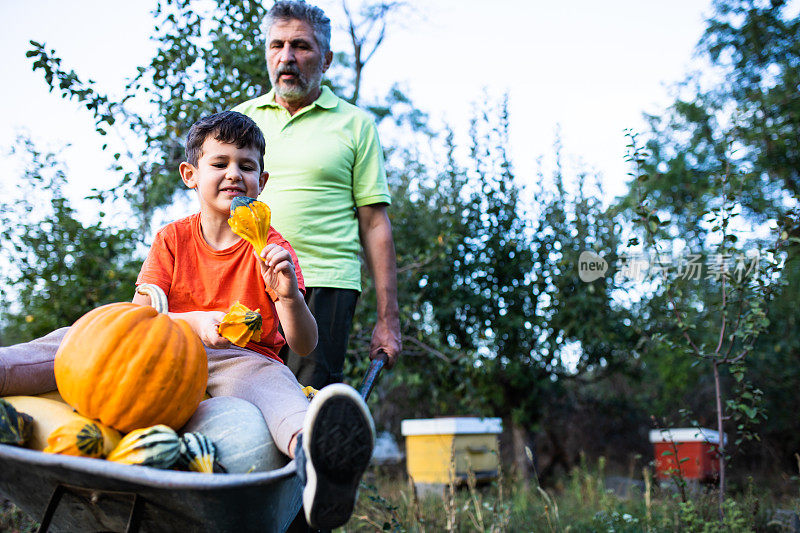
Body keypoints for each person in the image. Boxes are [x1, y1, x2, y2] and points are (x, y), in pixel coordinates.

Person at [0, 111, 374, 531]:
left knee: (275, 385)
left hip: (241, 360)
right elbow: (140, 311)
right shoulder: (172, 239)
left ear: (262, 182)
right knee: (80, 338)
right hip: (164, 352)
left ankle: (317, 456)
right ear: (190, 174)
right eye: (220, 163)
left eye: (246, 166)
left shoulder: (270, 246)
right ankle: (5, 369)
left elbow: (303, 345)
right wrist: (194, 323)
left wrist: (287, 295)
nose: (234, 174)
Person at [233, 0, 401, 390]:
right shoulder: (240, 121)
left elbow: (375, 225)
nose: (287, 57)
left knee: (307, 409)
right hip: (250, 282)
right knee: (243, 401)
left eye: (301, 46)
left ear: (325, 60)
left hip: (324, 285)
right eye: (277, 45)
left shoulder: (356, 125)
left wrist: (388, 319)